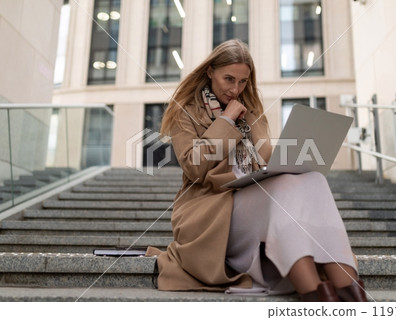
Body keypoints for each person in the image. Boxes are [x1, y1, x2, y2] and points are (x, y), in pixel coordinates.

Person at [145, 39, 368, 302]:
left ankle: (348, 291)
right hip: (212, 208)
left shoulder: (251, 113)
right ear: (210, 72)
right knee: (284, 190)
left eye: (242, 82)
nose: (235, 89)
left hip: (256, 196)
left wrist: (287, 160)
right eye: (228, 79)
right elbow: (195, 167)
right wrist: (226, 121)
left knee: (313, 179)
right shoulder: (186, 112)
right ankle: (316, 293)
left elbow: (262, 159)